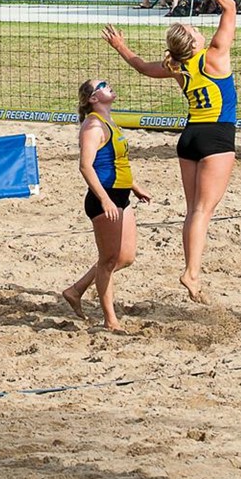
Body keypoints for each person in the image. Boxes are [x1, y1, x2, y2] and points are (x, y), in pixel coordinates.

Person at [101, 0, 237, 304]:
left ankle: (193, 272)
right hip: (216, 136)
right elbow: (229, 6)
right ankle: (191, 272)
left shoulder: (177, 65)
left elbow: (143, 67)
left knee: (194, 211)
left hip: (189, 138)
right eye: (193, 29)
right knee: (202, 212)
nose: (197, 28)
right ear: (193, 42)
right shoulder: (214, 55)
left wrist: (121, 47)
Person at [60, 77, 152, 330]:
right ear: (93, 98)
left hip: (121, 195)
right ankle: (110, 320)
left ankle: (76, 290)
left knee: (126, 257)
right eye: (102, 85)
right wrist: (104, 200)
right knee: (108, 261)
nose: (109, 85)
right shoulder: (93, 126)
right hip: (104, 198)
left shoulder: (109, 121)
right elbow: (85, 166)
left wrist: (134, 186)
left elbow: (116, 161)